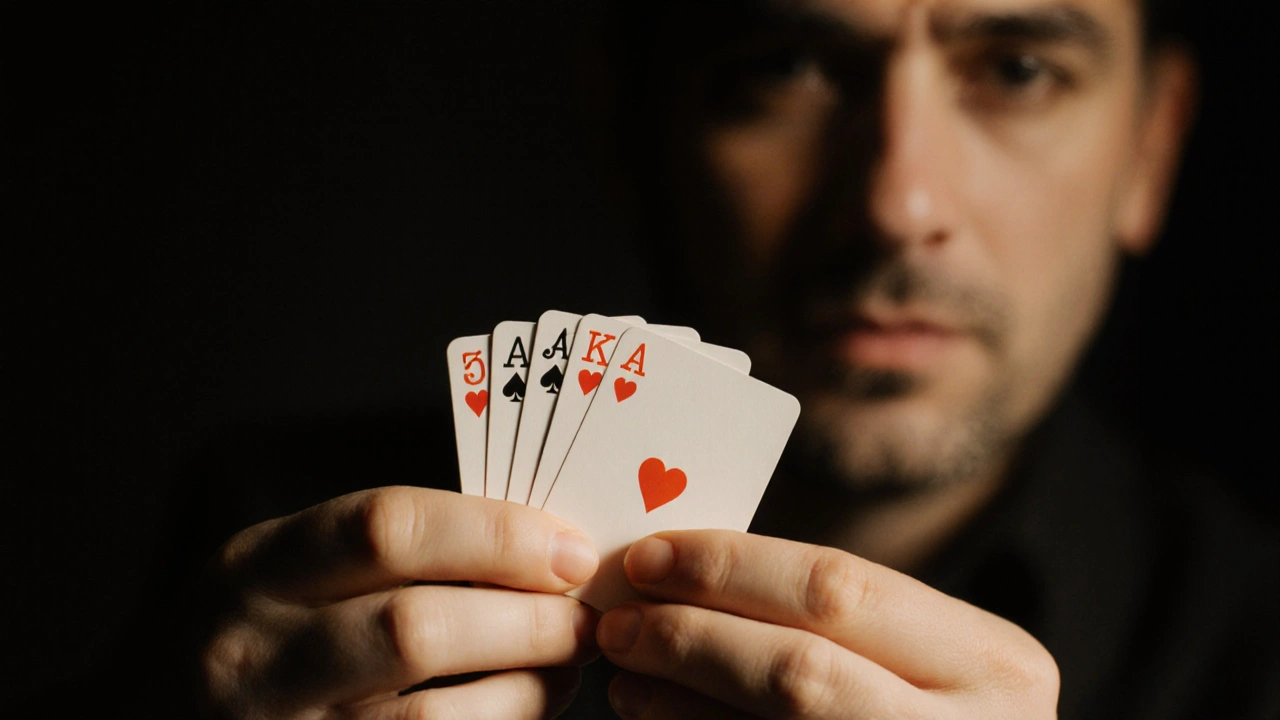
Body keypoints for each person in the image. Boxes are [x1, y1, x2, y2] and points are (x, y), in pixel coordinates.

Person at [70, 1, 1274, 718]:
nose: (899, 201)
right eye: (785, 66)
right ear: (630, 126)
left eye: (1016, 69)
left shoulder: (1255, 644)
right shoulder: (270, 553)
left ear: (1150, 146)